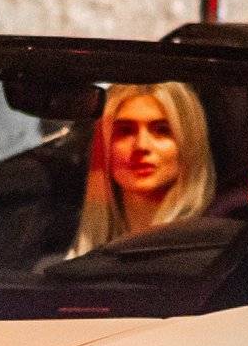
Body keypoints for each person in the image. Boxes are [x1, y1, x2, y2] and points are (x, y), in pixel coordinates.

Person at [66, 81, 216, 258]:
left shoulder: (216, 247)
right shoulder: (69, 262)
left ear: (189, 141)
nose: (141, 145)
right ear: (104, 147)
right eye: (125, 131)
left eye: (162, 130)